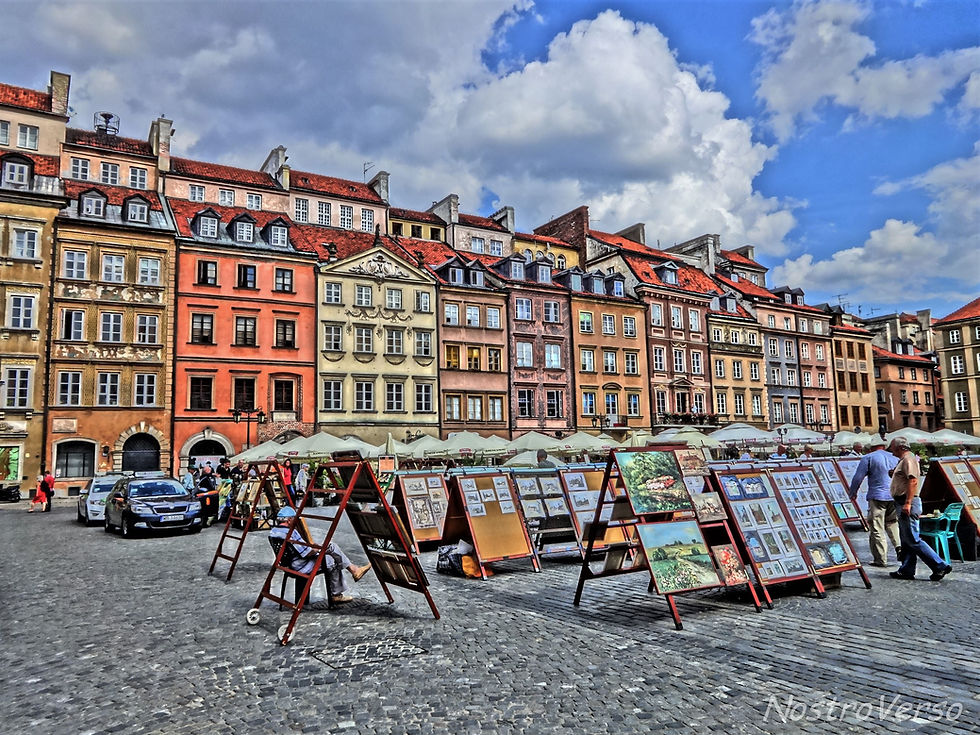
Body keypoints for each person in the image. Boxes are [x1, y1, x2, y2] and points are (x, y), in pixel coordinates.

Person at [268, 507, 371, 604]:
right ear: (289, 520)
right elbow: (306, 553)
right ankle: (347, 580)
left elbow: (300, 549)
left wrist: (314, 548)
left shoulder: (273, 532)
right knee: (332, 552)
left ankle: (351, 574)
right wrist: (317, 549)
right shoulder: (290, 532)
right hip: (300, 566)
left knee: (331, 556)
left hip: (290, 564)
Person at [888, 437, 952, 581]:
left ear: (900, 447)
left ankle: (940, 565)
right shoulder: (905, 460)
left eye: (892, 447)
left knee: (912, 539)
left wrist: (908, 503)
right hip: (902, 501)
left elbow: (913, 480)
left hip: (907, 501)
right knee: (906, 539)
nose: (891, 450)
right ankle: (906, 570)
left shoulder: (908, 459)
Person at [848, 438, 900, 566]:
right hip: (894, 495)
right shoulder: (895, 457)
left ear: (871, 447)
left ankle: (881, 559)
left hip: (877, 496)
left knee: (877, 527)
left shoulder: (868, 458)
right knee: (892, 523)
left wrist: (852, 492)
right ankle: (899, 548)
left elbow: (858, 477)